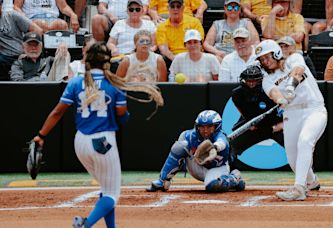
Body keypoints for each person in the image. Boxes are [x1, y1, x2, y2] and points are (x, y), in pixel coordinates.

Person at [32, 42, 163, 227]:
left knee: (106, 187)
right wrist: (126, 115)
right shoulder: (115, 84)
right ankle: (86, 224)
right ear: (107, 61)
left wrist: (41, 135)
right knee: (112, 193)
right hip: (103, 141)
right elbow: (121, 115)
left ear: (87, 60)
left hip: (80, 142)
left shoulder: (77, 82)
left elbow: (57, 112)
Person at [255, 39, 327, 201]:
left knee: (305, 141)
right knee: (293, 160)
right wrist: (281, 100)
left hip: (313, 109)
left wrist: (290, 86)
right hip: (291, 114)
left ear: (276, 53)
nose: (265, 62)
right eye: (262, 59)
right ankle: (311, 181)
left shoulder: (293, 59)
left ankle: (299, 188)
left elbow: (298, 71)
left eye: (267, 57)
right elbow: (273, 93)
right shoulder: (266, 78)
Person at [146, 110, 246, 192]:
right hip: (197, 166)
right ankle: (162, 181)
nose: (205, 130)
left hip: (217, 168)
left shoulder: (220, 137)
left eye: (209, 127)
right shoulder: (188, 136)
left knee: (212, 186)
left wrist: (214, 148)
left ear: (216, 127)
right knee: (180, 146)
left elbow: (222, 143)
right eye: (202, 126)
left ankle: (233, 178)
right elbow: (179, 152)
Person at [229, 64, 284, 170]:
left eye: (254, 81)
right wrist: (249, 123)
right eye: (248, 80)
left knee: (293, 143)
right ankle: (230, 171)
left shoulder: (271, 90)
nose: (251, 83)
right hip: (254, 126)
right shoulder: (237, 94)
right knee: (232, 145)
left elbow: (287, 112)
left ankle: (305, 171)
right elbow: (242, 112)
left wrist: (281, 125)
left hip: (275, 126)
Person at [0, 0, 42, 81]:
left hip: (22, 55)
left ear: (1, 5)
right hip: (4, 57)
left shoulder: (12, 15)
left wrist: (27, 52)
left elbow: (38, 31)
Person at [155, 0, 204, 68]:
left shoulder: (194, 22)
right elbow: (164, 49)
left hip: (193, 55)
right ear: (168, 8)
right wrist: (177, 60)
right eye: (172, 6)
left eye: (178, 6)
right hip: (173, 58)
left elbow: (199, 44)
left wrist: (189, 59)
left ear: (183, 8)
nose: (175, 9)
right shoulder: (162, 26)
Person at [14, 0, 80, 32]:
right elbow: (16, 7)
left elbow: (64, 7)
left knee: (62, 24)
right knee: (40, 24)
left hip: (53, 18)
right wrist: (23, 17)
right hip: (33, 18)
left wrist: (73, 15)